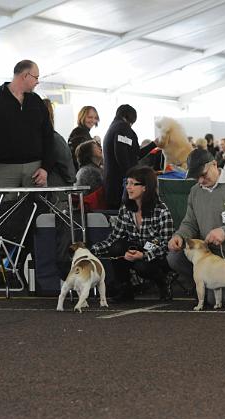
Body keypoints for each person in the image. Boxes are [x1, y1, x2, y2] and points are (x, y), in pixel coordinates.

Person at [166, 148, 225, 303]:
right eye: (196, 177)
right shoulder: (195, 192)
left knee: (213, 301)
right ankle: (202, 286)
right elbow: (190, 222)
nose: (201, 181)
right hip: (208, 254)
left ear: (215, 164)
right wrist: (179, 236)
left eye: (203, 175)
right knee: (174, 257)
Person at [91, 166, 174, 301]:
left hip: (156, 255)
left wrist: (144, 255)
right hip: (135, 250)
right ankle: (125, 289)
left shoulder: (161, 210)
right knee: (116, 247)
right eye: (127, 183)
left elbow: (165, 245)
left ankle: (163, 282)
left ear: (145, 187)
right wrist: (91, 250)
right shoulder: (125, 209)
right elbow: (113, 238)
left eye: (133, 184)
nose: (128, 187)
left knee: (142, 265)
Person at [0, 60, 55, 188]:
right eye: (36, 77)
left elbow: (48, 135)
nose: (37, 81)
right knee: (3, 207)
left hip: (35, 169)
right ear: (25, 75)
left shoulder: (36, 101)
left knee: (35, 207)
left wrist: (46, 167)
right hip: (2, 169)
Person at [102, 104, 156, 210]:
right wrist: (133, 179)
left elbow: (135, 154)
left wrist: (154, 144)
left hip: (113, 186)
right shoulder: (122, 128)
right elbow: (122, 155)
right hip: (120, 187)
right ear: (130, 117)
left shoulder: (112, 128)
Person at [42, 99, 76, 190]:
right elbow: (66, 164)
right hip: (56, 190)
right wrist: (71, 180)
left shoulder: (33, 138)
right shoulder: (55, 138)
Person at [74, 140, 106, 212]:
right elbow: (102, 195)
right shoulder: (90, 171)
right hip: (92, 211)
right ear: (88, 152)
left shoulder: (87, 169)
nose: (100, 149)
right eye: (96, 147)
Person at [67, 106, 99, 171]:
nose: (93, 120)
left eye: (95, 118)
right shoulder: (80, 133)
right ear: (82, 117)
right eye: (90, 117)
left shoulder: (81, 132)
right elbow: (81, 159)